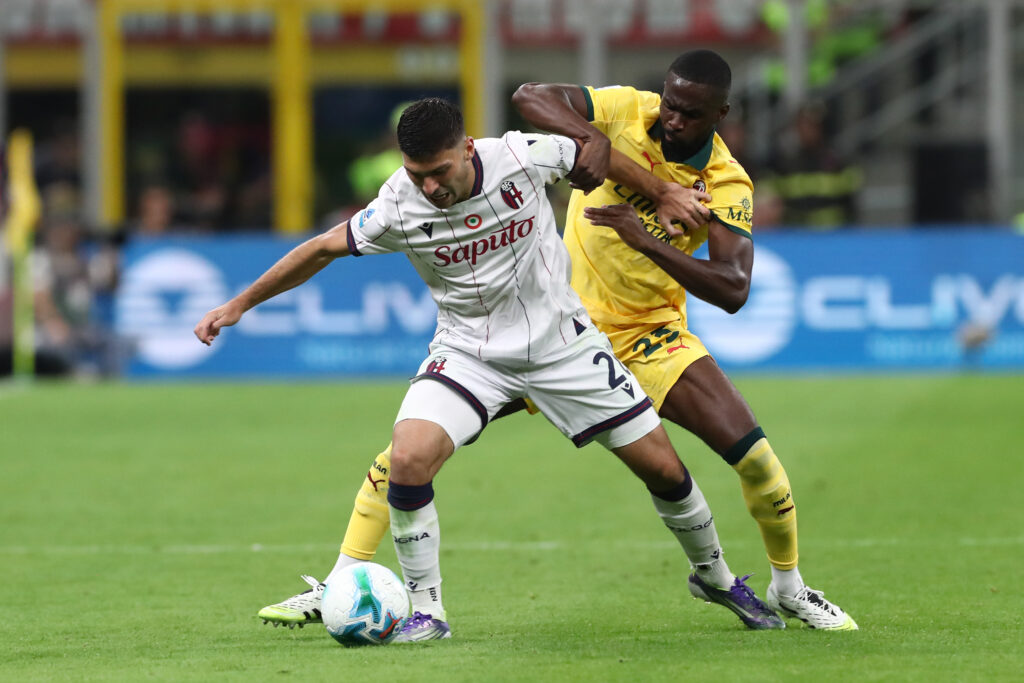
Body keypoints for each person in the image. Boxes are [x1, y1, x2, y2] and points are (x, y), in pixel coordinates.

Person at [262, 52, 857, 633]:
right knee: (404, 457)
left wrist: (647, 240)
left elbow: (732, 289)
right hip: (555, 326)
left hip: (649, 334)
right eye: (669, 105)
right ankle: (337, 585)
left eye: (690, 113)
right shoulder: (627, 110)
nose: (672, 120)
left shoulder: (725, 182)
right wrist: (619, 159)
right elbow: (530, 97)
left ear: (720, 115)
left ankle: (788, 586)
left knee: (752, 461)